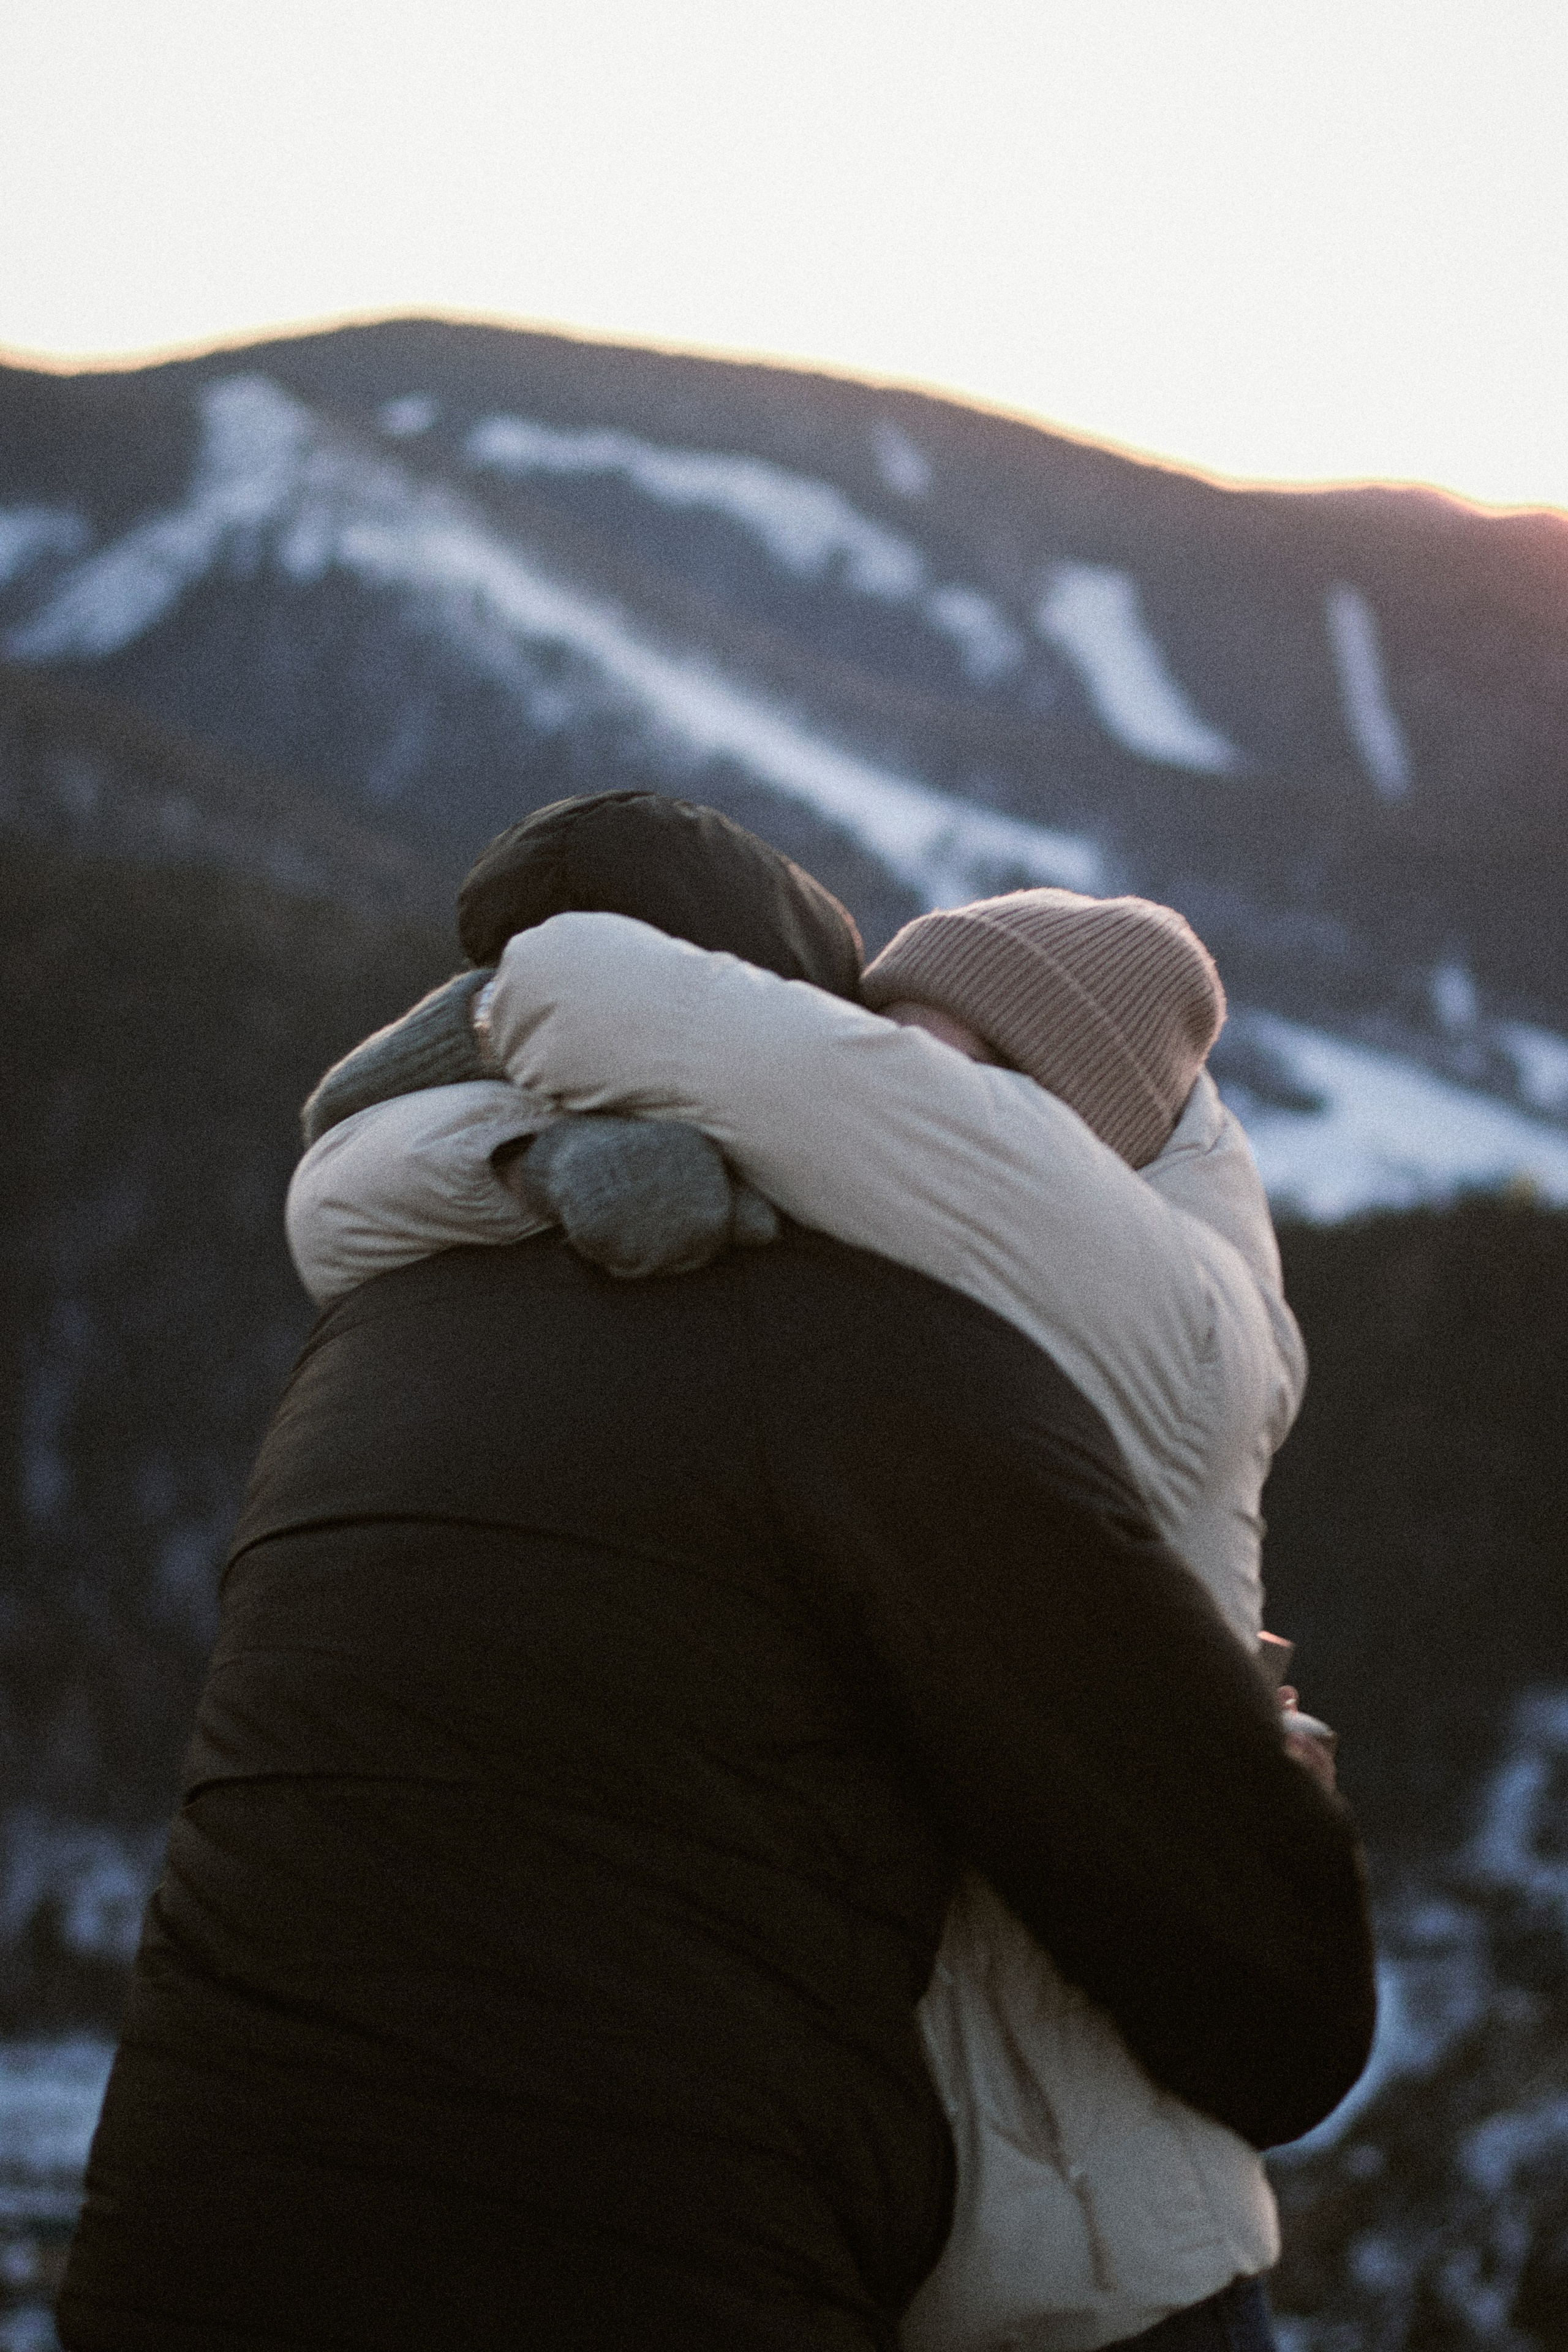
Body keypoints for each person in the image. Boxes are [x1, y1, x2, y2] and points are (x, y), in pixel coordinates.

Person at [58, 801, 1374, 2352]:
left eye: (993, 1078)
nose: (933, 1095)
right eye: (900, 1048)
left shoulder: (376, 1327)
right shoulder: (873, 1366)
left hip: (175, 2252)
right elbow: (1280, 2007)